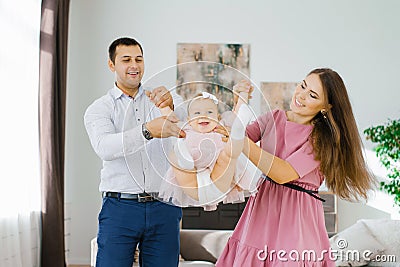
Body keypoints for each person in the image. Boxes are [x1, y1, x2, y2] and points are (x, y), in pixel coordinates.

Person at [216, 69, 376, 266]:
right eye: (303, 86)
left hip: (298, 215)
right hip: (264, 207)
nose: (301, 95)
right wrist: (239, 103)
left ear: (326, 107)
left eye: (312, 95)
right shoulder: (273, 118)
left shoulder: (322, 140)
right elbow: (232, 142)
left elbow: (283, 173)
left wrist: (241, 141)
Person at [84, 37, 186, 267]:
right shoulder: (99, 109)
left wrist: (171, 107)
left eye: (139, 59)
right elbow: (105, 147)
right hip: (120, 208)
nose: (134, 65)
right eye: (126, 59)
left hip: (165, 206)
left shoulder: (164, 99)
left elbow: (189, 131)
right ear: (112, 65)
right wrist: (147, 131)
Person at [157, 91, 260, 211]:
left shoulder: (220, 127)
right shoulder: (186, 128)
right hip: (194, 170)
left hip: (217, 170)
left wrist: (242, 100)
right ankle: (184, 161)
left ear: (218, 117)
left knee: (226, 157)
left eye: (209, 112)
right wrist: (163, 106)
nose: (203, 116)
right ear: (189, 119)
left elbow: (235, 115)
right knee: (178, 159)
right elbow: (171, 119)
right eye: (197, 113)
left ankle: (238, 133)